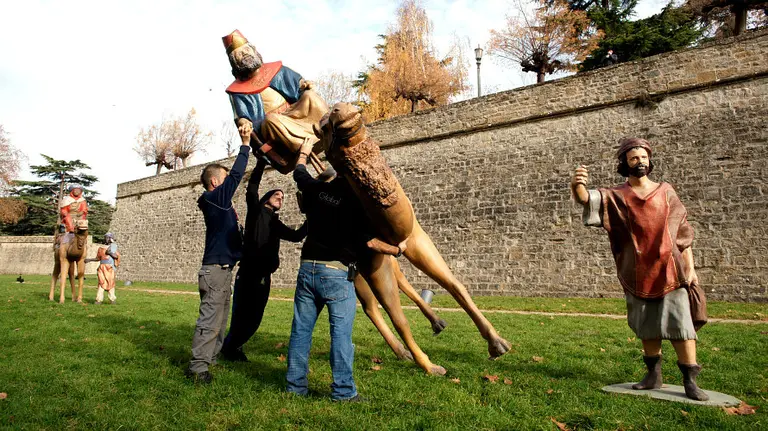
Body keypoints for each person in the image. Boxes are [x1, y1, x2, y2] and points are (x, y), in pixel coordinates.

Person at [571, 137, 709, 401]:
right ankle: (653, 375)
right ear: (625, 163)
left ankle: (690, 380)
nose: (640, 162)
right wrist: (577, 185)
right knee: (646, 324)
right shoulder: (617, 195)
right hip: (638, 272)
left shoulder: (666, 192)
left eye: (643, 157)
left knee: (681, 324)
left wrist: (690, 268)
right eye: (634, 158)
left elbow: (683, 234)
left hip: (669, 269)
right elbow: (587, 199)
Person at [285, 141, 401, 401]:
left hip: (307, 268)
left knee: (301, 331)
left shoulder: (318, 190)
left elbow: (299, 174)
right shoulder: (356, 204)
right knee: (340, 335)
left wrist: (303, 154)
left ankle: (295, 387)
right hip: (336, 273)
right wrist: (396, 250)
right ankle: (343, 391)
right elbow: (370, 242)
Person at [219, 157, 307, 362]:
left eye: (283, 197)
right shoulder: (256, 212)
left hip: (264, 277)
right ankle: (230, 348)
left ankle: (232, 346)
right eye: (277, 195)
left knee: (255, 318)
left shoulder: (276, 223)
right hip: (248, 273)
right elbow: (252, 189)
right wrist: (260, 164)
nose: (280, 198)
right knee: (241, 314)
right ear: (266, 198)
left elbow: (296, 236)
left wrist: (312, 218)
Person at [186, 120, 252, 384]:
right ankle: (197, 368)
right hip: (215, 272)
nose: (229, 185)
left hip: (223, 271)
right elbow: (236, 176)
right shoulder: (214, 199)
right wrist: (245, 145)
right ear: (215, 182)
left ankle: (210, 359)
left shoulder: (221, 205)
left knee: (221, 318)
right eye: (224, 180)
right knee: (210, 320)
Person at [221, 29, 328, 173]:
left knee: (310, 96)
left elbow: (298, 84)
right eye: (240, 54)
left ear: (254, 50)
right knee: (272, 120)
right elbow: (241, 115)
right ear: (234, 62)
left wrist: (305, 84)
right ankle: (303, 146)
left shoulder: (277, 69)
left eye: (247, 50)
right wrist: (244, 123)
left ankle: (328, 128)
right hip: (273, 125)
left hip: (295, 111)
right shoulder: (237, 91)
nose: (245, 54)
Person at [94, 233, 120, 305]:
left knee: (111, 283)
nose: (106, 239)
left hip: (110, 268)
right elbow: (98, 258)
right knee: (101, 282)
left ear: (111, 239)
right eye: (106, 237)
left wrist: (110, 250)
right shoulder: (101, 248)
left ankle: (112, 298)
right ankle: (99, 299)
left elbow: (116, 256)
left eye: (108, 238)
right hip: (102, 267)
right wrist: (89, 260)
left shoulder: (113, 246)